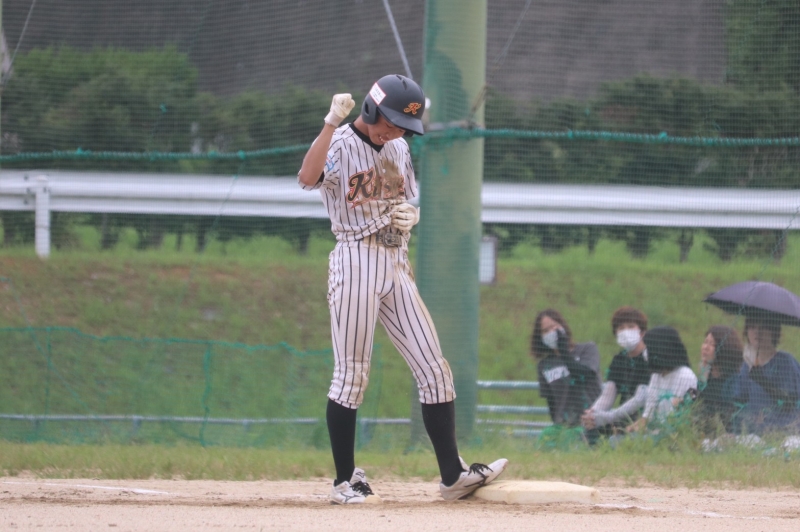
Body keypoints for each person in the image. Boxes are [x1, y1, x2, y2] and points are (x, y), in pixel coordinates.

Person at [297, 74, 507, 504]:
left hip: (395, 260)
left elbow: (402, 198)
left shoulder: (398, 148)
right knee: (352, 374)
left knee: (434, 369)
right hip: (355, 258)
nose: (394, 132)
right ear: (370, 109)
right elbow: (307, 177)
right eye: (390, 123)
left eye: (403, 127)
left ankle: (453, 476)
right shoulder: (341, 142)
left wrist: (412, 214)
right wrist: (329, 123)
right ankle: (344, 482)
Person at [581, 306, 650, 438]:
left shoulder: (649, 357)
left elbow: (640, 399)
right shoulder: (619, 359)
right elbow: (608, 394)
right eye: (621, 328)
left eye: (631, 326)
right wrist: (592, 414)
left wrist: (608, 416)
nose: (626, 331)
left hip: (646, 419)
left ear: (642, 332)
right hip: (622, 418)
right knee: (591, 432)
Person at [531, 309, 602, 428]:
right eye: (545, 331)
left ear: (562, 326)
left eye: (553, 327)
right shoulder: (544, 365)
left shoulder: (587, 349)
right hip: (566, 425)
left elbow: (585, 374)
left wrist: (563, 351)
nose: (551, 332)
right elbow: (551, 401)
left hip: (593, 420)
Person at [731, 314, 800, 434]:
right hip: (753, 433)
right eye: (752, 327)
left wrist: (762, 381)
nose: (757, 332)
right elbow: (740, 402)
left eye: (763, 327)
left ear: (773, 331)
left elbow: (790, 403)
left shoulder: (785, 362)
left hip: (784, 432)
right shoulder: (747, 365)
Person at [626, 326, 697, 433]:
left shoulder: (685, 375)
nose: (645, 352)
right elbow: (648, 414)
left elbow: (675, 418)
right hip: (653, 432)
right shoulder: (656, 375)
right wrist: (632, 428)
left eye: (647, 347)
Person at [694, 325, 743, 435]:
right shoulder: (706, 375)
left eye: (712, 344)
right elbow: (694, 402)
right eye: (705, 342)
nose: (705, 347)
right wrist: (702, 380)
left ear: (724, 348)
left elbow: (718, 410)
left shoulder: (734, 380)